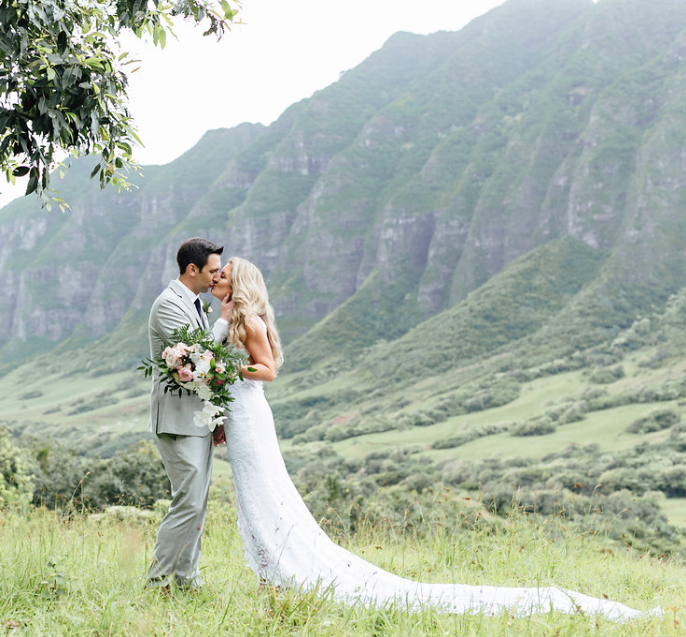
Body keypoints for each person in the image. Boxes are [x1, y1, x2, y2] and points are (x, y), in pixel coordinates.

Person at [210, 256, 656, 620]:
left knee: (265, 496)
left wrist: (224, 369)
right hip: (239, 417)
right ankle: (270, 578)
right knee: (252, 498)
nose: (217, 277)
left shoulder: (250, 322)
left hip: (251, 416)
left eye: (224, 273)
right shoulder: (228, 317)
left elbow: (268, 370)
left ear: (240, 282)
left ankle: (279, 576)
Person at [146, 237, 231, 591]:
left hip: (199, 419)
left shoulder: (195, 304)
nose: (216, 278)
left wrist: (217, 416)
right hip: (178, 419)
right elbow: (198, 358)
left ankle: (186, 580)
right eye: (213, 271)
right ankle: (157, 582)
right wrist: (224, 322)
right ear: (192, 269)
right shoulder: (168, 304)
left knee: (197, 503)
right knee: (188, 503)